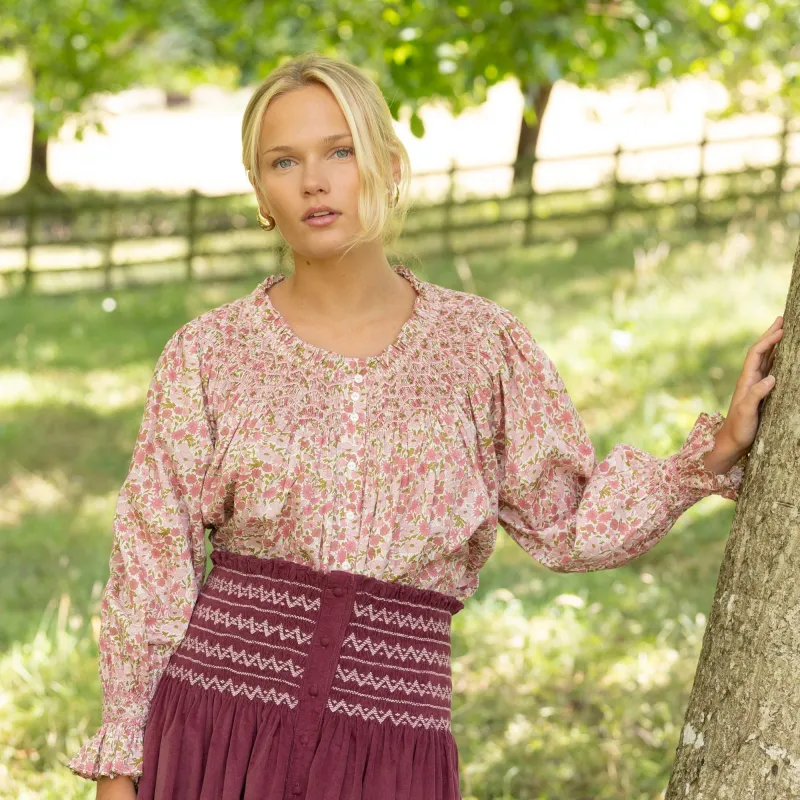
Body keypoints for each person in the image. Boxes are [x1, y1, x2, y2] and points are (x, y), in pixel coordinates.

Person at [67, 52, 782, 800]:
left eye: (340, 151)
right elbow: (151, 568)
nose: (315, 181)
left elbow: (566, 524)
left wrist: (715, 450)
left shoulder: (480, 346)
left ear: (389, 165)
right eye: (284, 161)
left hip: (394, 752)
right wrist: (121, 770)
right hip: (214, 740)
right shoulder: (209, 352)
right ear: (261, 192)